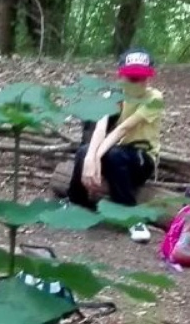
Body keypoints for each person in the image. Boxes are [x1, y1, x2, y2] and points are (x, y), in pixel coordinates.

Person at [67, 49, 162, 209]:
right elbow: (101, 127)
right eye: (131, 78)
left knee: (114, 154)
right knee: (83, 152)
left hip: (142, 159)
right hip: (116, 153)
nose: (137, 83)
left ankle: (127, 211)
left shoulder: (154, 99)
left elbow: (123, 129)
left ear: (148, 79)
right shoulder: (114, 95)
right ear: (121, 77)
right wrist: (90, 157)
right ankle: (77, 203)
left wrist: (96, 157)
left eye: (141, 78)